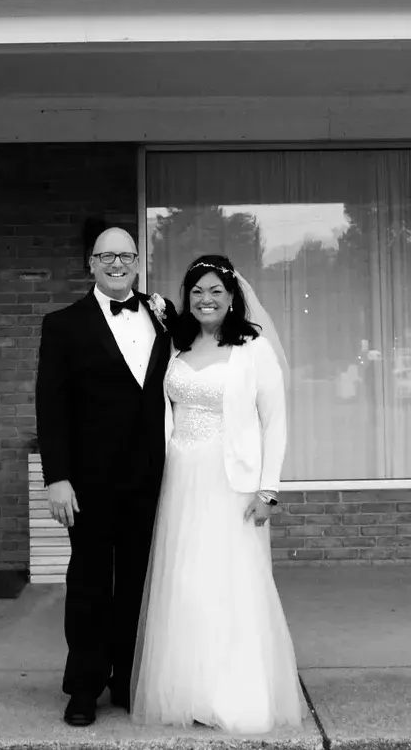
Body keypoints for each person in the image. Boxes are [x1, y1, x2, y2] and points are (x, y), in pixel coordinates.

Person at [131, 254, 306, 734]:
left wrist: (268, 491)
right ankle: (190, 690)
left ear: (232, 298)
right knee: (185, 583)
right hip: (180, 479)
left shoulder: (253, 349)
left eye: (215, 291)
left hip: (231, 485)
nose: (205, 299)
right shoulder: (177, 344)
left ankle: (231, 694)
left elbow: (275, 422)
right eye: (196, 291)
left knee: (230, 584)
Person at [35, 226, 176, 727]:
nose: (118, 264)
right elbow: (51, 406)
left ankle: (127, 679)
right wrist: (57, 477)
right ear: (91, 264)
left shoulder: (162, 315)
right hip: (89, 480)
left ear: (137, 262)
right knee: (90, 582)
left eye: (126, 256)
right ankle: (83, 686)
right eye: (107, 256)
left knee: (138, 580)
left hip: (151, 476)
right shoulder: (63, 324)